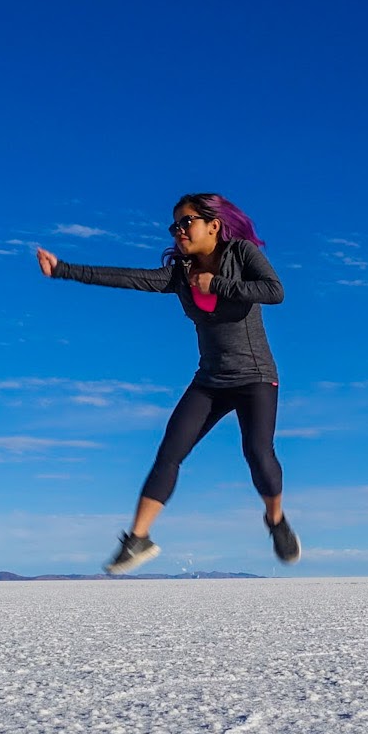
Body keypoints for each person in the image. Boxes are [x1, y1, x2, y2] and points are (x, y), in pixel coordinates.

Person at [35, 193, 300, 574]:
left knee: (258, 454)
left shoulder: (240, 253)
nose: (179, 231)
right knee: (170, 451)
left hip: (255, 376)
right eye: (174, 225)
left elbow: (275, 291)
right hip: (210, 379)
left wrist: (219, 285)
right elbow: (130, 278)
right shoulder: (181, 273)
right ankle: (138, 538)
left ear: (213, 225)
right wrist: (63, 269)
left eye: (186, 222)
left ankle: (276, 522)